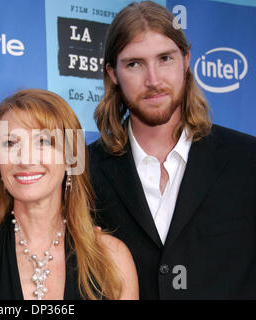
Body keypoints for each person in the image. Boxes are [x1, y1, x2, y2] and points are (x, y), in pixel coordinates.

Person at [89, 1, 255, 299]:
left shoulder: (247, 160)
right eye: (134, 64)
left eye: (165, 58)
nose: (153, 81)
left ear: (186, 60)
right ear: (113, 73)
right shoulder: (84, 171)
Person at [0, 89, 138, 300]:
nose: (26, 160)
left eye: (43, 142)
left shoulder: (113, 258)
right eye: (10, 143)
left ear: (70, 157)